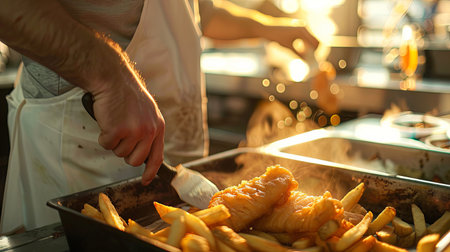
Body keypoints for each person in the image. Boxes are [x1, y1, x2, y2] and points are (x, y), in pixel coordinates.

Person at [0, 0, 318, 233]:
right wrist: (109, 74)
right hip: (74, 158)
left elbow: (198, 12)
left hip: (177, 171)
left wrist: (272, 28)